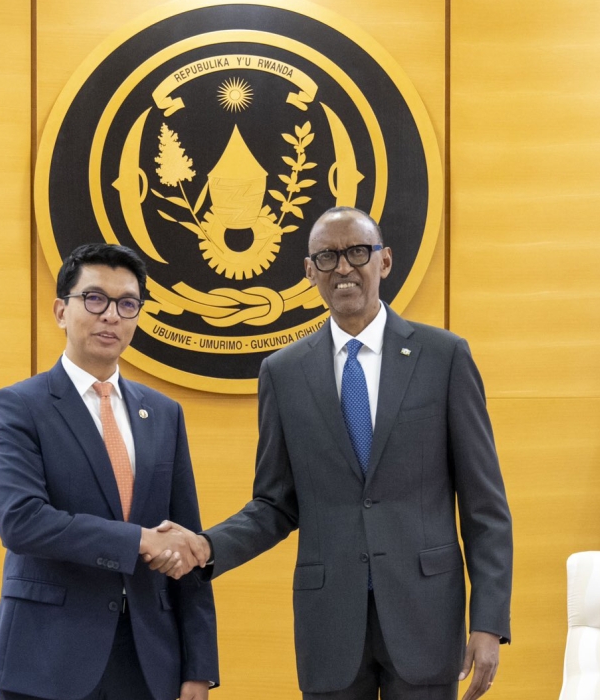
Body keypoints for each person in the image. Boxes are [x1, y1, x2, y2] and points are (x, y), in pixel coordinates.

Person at [149, 207, 513, 700]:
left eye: (357, 252)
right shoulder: (283, 372)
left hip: (426, 616)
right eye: (327, 257)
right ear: (309, 271)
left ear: (384, 261)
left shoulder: (444, 357)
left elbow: (484, 505)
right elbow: (274, 504)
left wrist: (488, 622)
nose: (343, 267)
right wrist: (207, 546)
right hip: (329, 625)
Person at [0, 243, 218, 700]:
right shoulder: (18, 406)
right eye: (94, 299)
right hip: (47, 655)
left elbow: (184, 539)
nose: (111, 315)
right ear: (60, 311)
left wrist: (199, 666)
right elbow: (21, 522)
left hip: (148, 661)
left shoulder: (164, 413)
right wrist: (139, 540)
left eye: (127, 304)